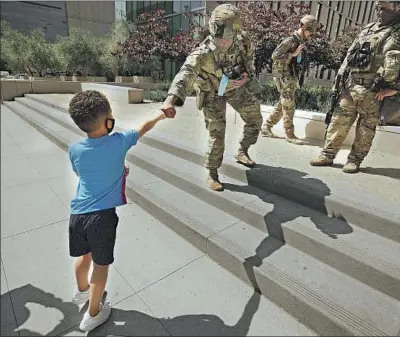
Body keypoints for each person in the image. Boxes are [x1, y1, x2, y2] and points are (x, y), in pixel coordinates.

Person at [67, 90, 166, 331]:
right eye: (111, 115)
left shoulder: (75, 149)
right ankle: (93, 312)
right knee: (101, 266)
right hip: (101, 218)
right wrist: (162, 114)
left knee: (84, 256)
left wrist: (116, 172)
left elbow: (82, 175)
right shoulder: (118, 142)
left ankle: (81, 292)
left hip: (77, 214)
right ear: (107, 122)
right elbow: (143, 128)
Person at [310, 0, 400, 173]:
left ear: (399, 6)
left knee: (366, 128)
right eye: (378, 5)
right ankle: (328, 154)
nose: (380, 9)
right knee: (338, 121)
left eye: (385, 5)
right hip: (351, 86)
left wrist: (397, 88)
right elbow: (350, 55)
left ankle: (355, 160)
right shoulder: (368, 29)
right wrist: (340, 80)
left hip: (376, 90)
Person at [160, 4, 263, 192]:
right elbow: (186, 72)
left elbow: (250, 61)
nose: (222, 42)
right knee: (217, 133)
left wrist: (247, 77)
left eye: (227, 38)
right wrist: (170, 99)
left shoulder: (244, 41)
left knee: (255, 118)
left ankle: (242, 150)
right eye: (218, 37)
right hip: (212, 93)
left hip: (234, 87)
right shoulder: (203, 53)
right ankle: (212, 171)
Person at [261, 15, 319, 145]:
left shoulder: (299, 41)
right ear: (304, 27)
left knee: (283, 103)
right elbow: (275, 56)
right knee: (289, 104)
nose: (311, 35)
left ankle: (267, 126)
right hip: (283, 76)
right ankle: (289, 133)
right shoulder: (290, 40)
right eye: (310, 31)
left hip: (290, 75)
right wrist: (292, 54)